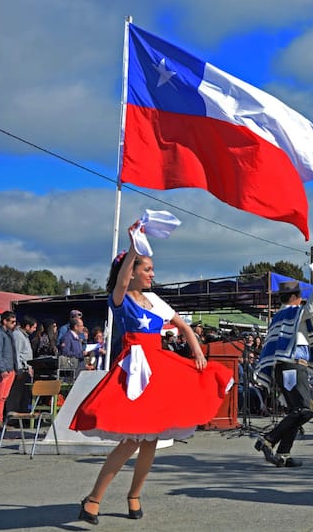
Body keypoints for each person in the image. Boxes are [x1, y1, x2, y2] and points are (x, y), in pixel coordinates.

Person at [71, 218, 234, 525]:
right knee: (131, 440)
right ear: (131, 271)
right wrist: (134, 246)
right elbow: (119, 282)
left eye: (151, 269)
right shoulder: (120, 299)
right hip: (134, 368)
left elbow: (184, 326)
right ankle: (93, 499)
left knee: (151, 440)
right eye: (147, 269)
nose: (152, 274)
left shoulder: (155, 300)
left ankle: (134, 495)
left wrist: (197, 350)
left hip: (160, 366)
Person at [254, 270, 313, 468]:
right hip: (292, 365)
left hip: (284, 367)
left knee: (297, 410)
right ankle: (268, 439)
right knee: (304, 410)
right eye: (300, 296)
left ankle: (283, 453)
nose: (302, 300)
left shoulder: (279, 316)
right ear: (294, 297)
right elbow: (311, 309)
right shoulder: (292, 313)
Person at [7, 315, 37, 415]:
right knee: (15, 395)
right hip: (20, 370)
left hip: (26, 370)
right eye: (34, 327)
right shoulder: (18, 335)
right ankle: (11, 417)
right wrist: (19, 370)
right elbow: (16, 353)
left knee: (22, 395)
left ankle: (21, 416)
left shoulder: (24, 336)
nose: (35, 330)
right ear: (27, 326)